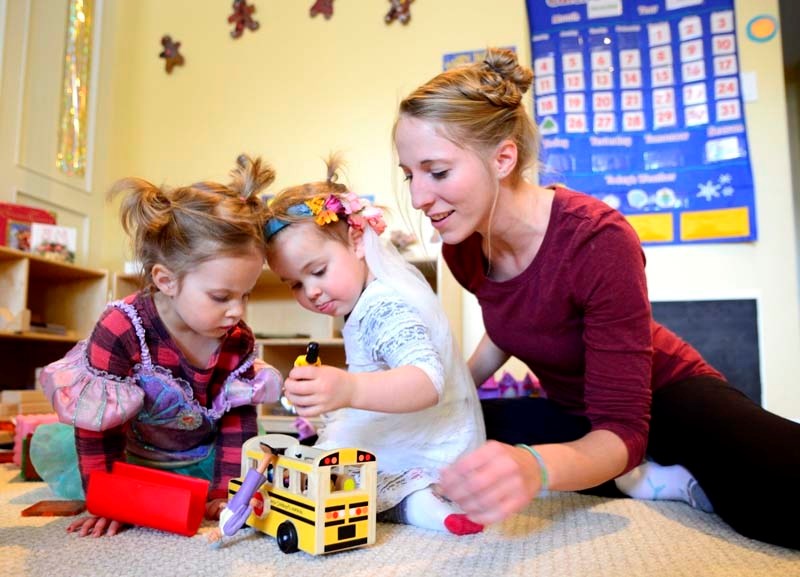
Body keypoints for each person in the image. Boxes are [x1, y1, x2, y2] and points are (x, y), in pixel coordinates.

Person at [393, 47, 800, 550]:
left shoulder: (596, 239)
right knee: (449, 442)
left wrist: (535, 467)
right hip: (577, 411)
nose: (417, 198)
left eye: (436, 172)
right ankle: (645, 477)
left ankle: (653, 471)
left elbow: (623, 427)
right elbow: (508, 325)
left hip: (667, 395)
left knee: (773, 502)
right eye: (410, 174)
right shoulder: (465, 248)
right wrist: (446, 393)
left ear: (503, 157)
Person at [39, 155, 283, 537]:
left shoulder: (238, 340)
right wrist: (107, 499)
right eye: (221, 296)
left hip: (203, 455)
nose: (237, 311)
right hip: (133, 457)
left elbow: (237, 425)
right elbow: (97, 424)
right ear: (166, 280)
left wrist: (223, 493)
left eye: (246, 295)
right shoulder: (121, 328)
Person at [264, 156, 486, 535]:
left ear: (356, 240)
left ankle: (418, 501)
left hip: (429, 446)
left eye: (318, 271)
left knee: (334, 483)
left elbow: (426, 381)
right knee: (320, 463)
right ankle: (420, 499)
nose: (311, 292)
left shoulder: (383, 304)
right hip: (426, 437)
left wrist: (349, 389)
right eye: (295, 284)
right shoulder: (371, 298)